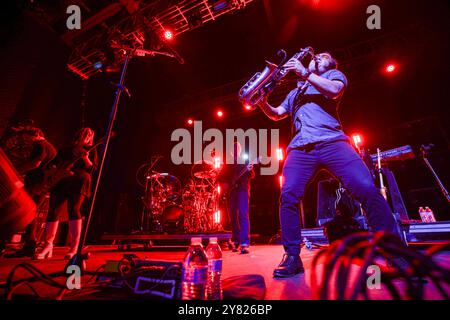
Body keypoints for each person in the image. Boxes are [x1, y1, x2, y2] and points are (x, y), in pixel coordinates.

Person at [255, 51, 403, 278]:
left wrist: (305, 73)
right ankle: (293, 257)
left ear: (330, 64)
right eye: (317, 56)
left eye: (323, 56)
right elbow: (277, 115)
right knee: (288, 196)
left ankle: (397, 256)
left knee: (367, 190)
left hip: (333, 142)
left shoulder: (334, 75)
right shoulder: (295, 92)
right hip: (300, 149)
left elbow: (335, 91)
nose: (317, 56)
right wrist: (262, 102)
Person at [34, 127, 98, 260]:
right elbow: (55, 163)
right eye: (84, 133)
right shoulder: (67, 148)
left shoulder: (91, 150)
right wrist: (52, 171)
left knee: (74, 209)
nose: (86, 136)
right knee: (53, 211)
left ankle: (74, 247)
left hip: (79, 181)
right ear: (78, 135)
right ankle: (48, 245)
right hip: (62, 181)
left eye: (88, 135)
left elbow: (92, 169)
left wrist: (86, 159)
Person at [3, 127, 57, 258]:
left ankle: (28, 245)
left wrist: (15, 172)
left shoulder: (40, 145)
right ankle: (30, 245)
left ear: (36, 135)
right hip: (43, 184)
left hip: (36, 184)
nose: (26, 141)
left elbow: (35, 164)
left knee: (23, 211)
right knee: (31, 213)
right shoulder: (49, 146)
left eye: (27, 137)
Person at [218, 142, 254, 254]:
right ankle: (237, 241)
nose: (235, 150)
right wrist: (227, 185)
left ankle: (244, 243)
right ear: (230, 151)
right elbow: (220, 179)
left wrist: (249, 169)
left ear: (239, 150)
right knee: (233, 217)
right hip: (231, 193)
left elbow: (251, 175)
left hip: (242, 190)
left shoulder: (245, 162)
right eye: (233, 148)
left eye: (237, 148)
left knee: (243, 214)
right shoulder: (227, 164)